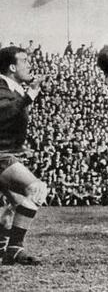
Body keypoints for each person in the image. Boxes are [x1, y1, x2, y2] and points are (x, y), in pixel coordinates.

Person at [0, 46, 48, 265]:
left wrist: (20, 147)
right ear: (12, 67)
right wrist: (30, 95)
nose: (29, 65)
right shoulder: (2, 87)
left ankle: (4, 249)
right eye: (25, 61)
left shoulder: (13, 88)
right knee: (36, 189)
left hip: (7, 152)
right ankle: (14, 249)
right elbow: (4, 113)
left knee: (16, 204)